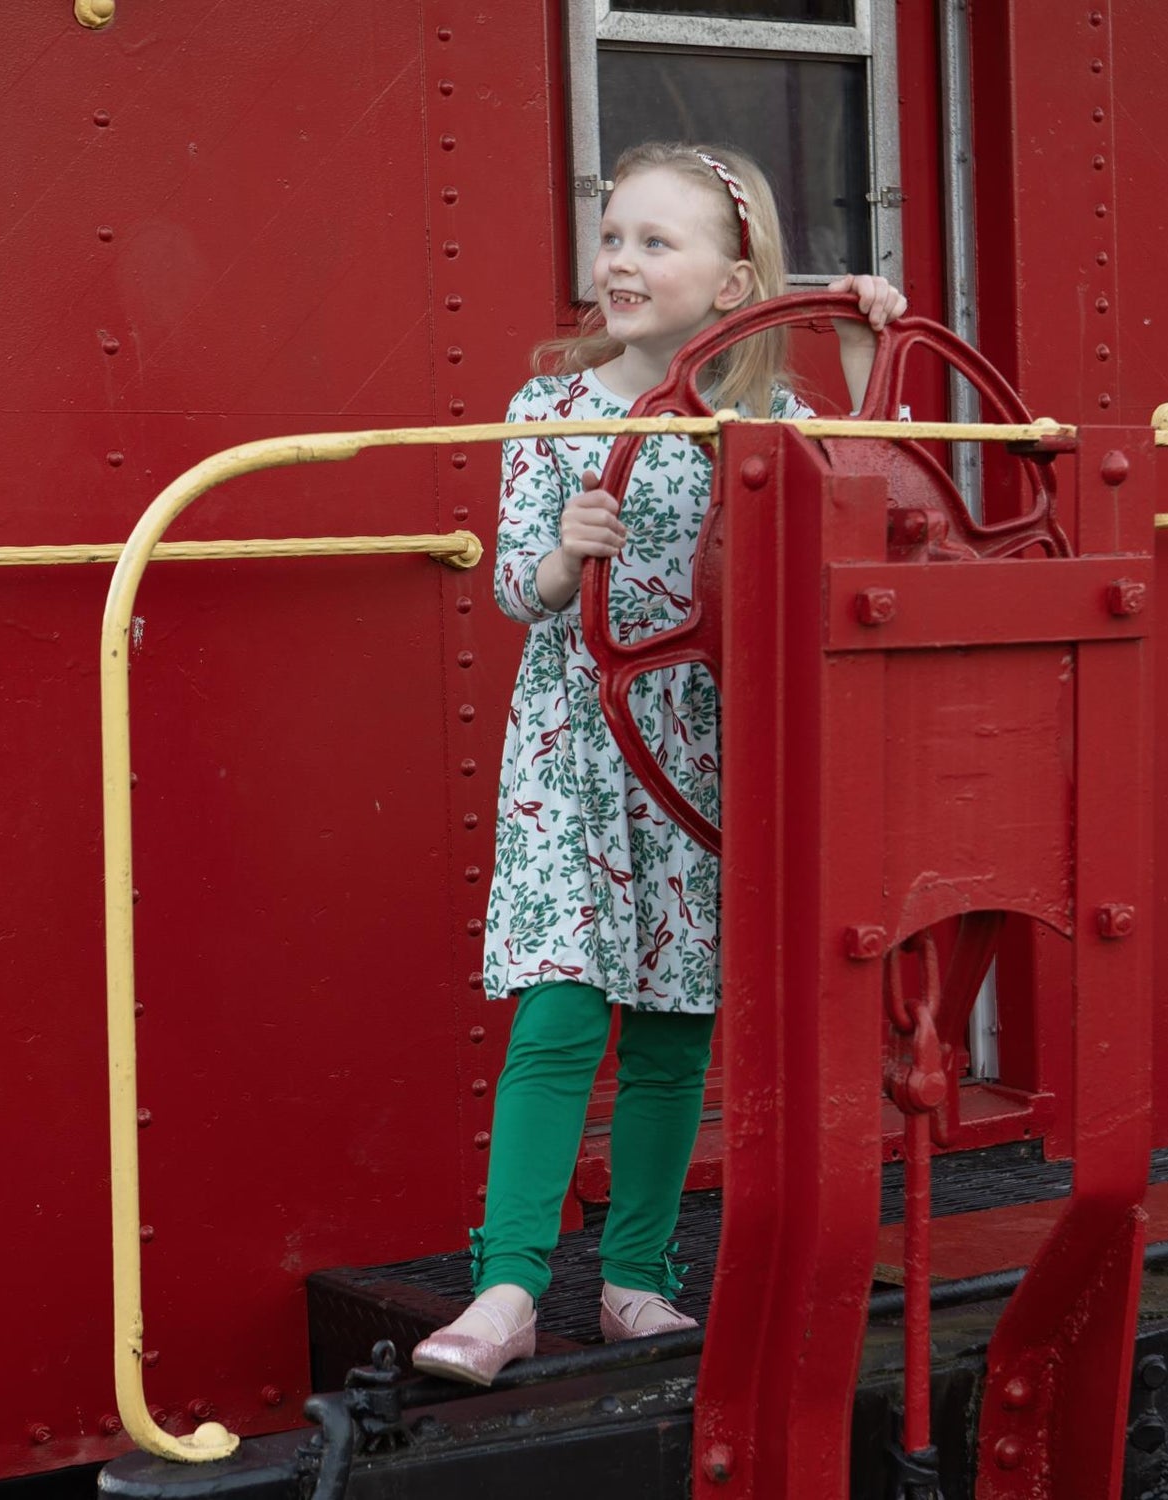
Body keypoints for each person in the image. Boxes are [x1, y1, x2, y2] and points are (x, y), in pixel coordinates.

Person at [412, 141, 907, 1385]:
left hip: (697, 752)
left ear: (736, 286)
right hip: (579, 746)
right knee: (563, 1014)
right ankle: (511, 1284)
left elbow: (875, 503)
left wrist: (860, 349)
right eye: (613, 236)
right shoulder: (548, 410)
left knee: (679, 1026)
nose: (621, 262)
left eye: (655, 243)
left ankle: (636, 1275)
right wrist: (567, 559)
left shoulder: (771, 421)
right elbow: (518, 586)